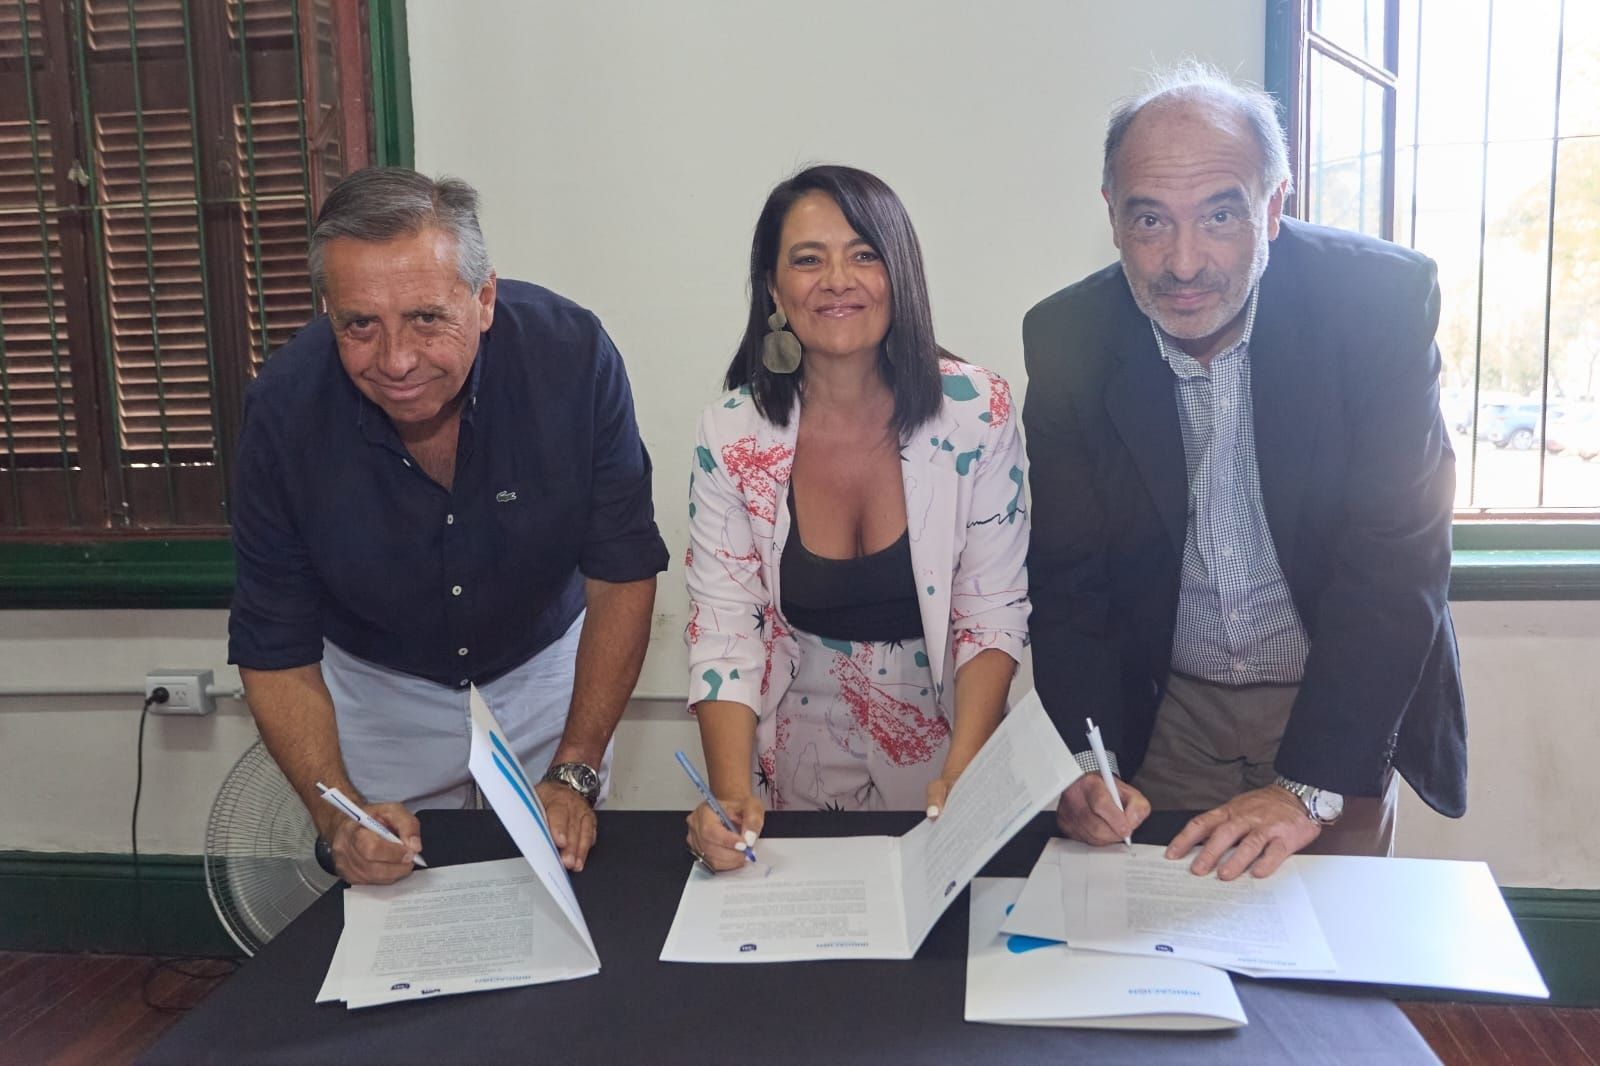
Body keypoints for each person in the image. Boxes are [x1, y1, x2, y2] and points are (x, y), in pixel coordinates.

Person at [1023, 65, 1466, 880]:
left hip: (1333, 694)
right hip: (1168, 708)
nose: (1184, 262)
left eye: (1220, 215)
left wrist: (1307, 788)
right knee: (1153, 935)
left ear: (1274, 204)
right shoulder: (1068, 339)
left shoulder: (1376, 305)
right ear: (1112, 215)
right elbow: (1070, 579)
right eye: (1150, 220)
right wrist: (1090, 763)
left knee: (1323, 945)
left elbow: (1396, 562)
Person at [228, 167, 669, 884]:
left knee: (561, 883)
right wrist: (339, 820)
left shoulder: (573, 358)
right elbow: (274, 642)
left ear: (484, 298)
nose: (397, 361)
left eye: (426, 319)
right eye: (359, 325)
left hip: (544, 667)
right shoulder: (283, 410)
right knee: (391, 889)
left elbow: (622, 573)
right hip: (379, 684)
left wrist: (576, 767)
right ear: (328, 312)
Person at [683, 165, 1031, 870]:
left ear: (899, 274)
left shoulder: (979, 411)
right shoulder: (732, 432)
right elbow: (726, 627)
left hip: (949, 733)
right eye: (808, 260)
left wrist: (965, 770)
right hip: (796, 743)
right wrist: (730, 793)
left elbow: (990, 609)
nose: (837, 280)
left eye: (864, 255)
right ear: (774, 289)